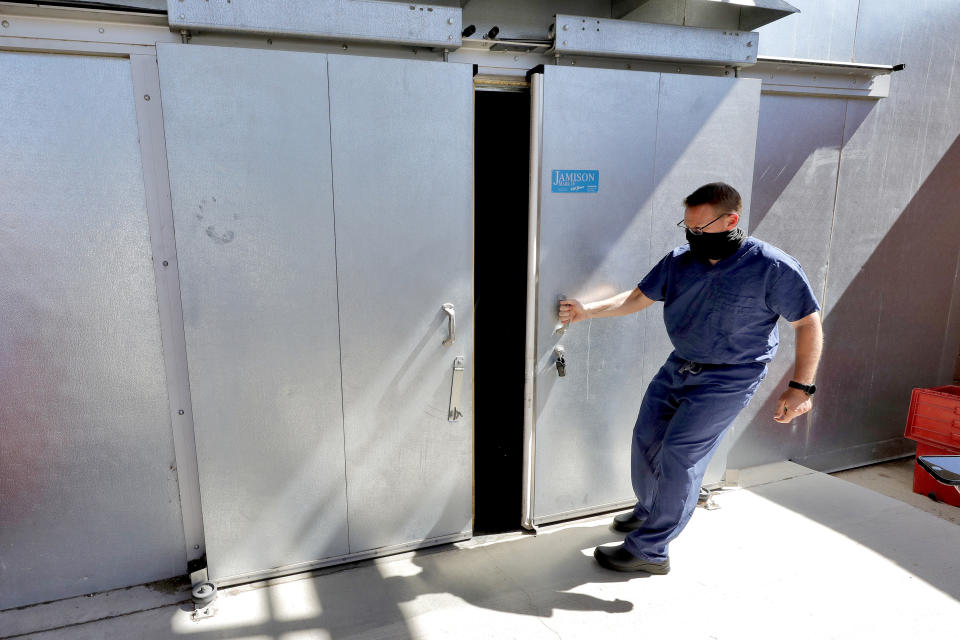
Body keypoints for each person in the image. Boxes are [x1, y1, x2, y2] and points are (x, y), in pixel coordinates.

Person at [558, 182, 823, 574]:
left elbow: (807, 323)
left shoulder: (772, 267)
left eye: (701, 227)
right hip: (680, 365)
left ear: (731, 220)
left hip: (731, 376)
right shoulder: (680, 261)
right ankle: (651, 510)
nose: (692, 235)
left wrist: (801, 387)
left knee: (680, 454)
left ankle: (651, 550)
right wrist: (587, 310)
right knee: (646, 439)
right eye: (688, 226)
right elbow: (638, 297)